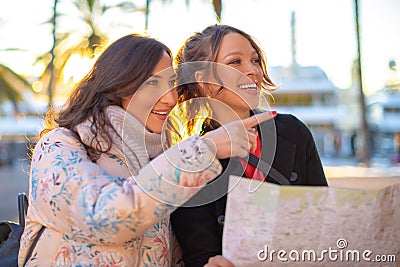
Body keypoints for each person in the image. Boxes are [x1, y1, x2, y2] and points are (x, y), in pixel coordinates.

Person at [18, 33, 273, 266]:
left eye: (172, 84)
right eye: (153, 84)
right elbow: (105, 219)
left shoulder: (162, 162)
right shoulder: (59, 145)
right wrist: (203, 150)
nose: (170, 98)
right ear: (118, 85)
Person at [170, 24, 328, 267]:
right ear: (202, 80)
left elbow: (325, 215)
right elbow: (199, 256)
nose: (253, 70)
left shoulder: (294, 132)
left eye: (255, 60)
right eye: (236, 62)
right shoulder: (189, 160)